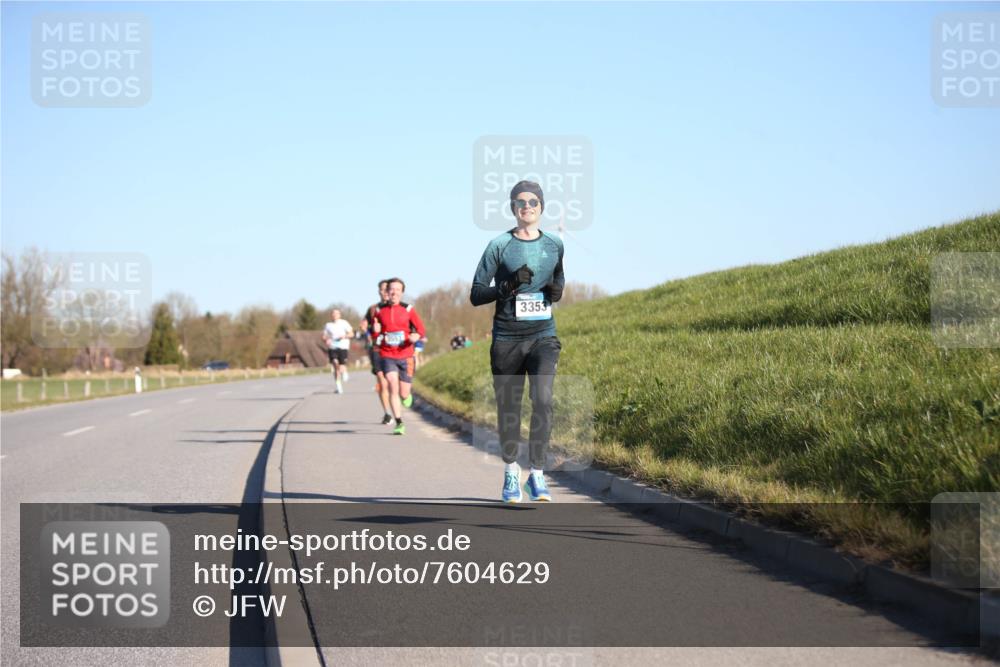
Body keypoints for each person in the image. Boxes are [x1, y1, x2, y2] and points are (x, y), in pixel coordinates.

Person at [470, 180, 564, 503]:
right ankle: (511, 471)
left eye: (533, 202)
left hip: (543, 336)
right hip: (507, 338)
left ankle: (537, 473)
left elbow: (559, 277)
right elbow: (476, 294)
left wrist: (557, 291)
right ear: (512, 207)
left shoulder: (554, 244)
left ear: (541, 206)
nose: (527, 207)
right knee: (509, 408)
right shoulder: (499, 245)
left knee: (543, 399)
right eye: (520, 202)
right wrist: (507, 285)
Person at [373, 277, 426, 435]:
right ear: (387, 292)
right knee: (391, 384)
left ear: (402, 292)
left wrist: (416, 336)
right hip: (387, 353)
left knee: (403, 393)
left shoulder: (408, 309)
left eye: (398, 289)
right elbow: (376, 334)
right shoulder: (379, 310)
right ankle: (399, 422)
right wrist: (375, 331)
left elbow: (421, 330)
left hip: (406, 355)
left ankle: (406, 396)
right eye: (391, 289)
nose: (394, 292)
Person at [360, 280, 393, 423]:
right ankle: (387, 413)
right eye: (381, 289)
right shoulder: (373, 309)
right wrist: (366, 331)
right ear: (379, 291)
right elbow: (364, 324)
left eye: (387, 289)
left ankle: (400, 399)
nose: (384, 292)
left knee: (393, 382)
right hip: (377, 348)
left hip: (394, 349)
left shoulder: (397, 307)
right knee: (382, 382)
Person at [322, 309, 353, 394]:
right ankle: (339, 387)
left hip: (343, 347)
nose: (334, 315)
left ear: (339, 315)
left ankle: (344, 372)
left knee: (341, 366)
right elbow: (324, 336)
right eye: (333, 313)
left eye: (336, 313)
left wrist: (344, 336)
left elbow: (351, 334)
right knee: (335, 364)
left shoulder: (344, 323)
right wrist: (326, 340)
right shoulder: (328, 325)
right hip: (332, 347)